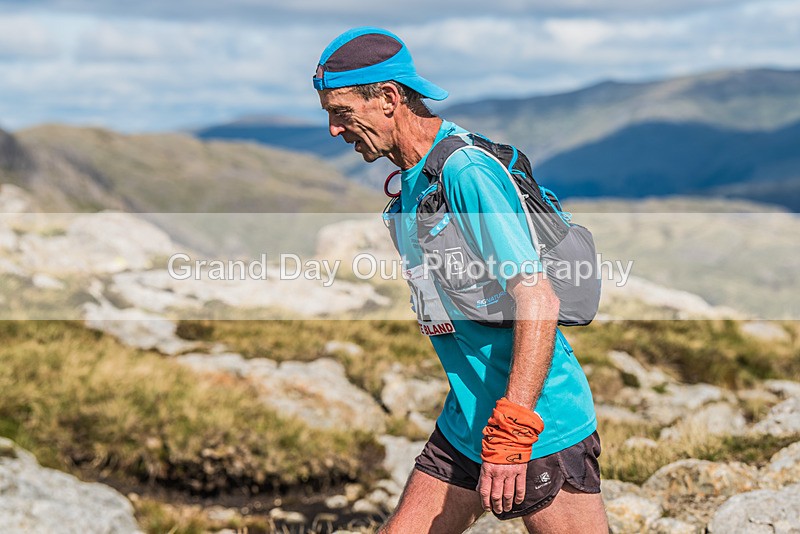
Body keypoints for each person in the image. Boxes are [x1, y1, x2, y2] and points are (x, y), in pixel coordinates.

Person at [313, 27, 608, 533]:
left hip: (534, 425)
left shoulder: (465, 171)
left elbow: (537, 299)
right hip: (468, 420)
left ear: (388, 98)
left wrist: (513, 431)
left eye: (342, 114)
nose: (335, 132)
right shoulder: (412, 179)